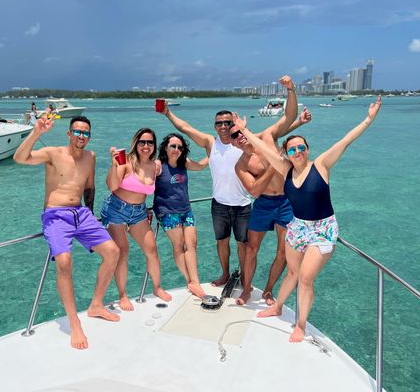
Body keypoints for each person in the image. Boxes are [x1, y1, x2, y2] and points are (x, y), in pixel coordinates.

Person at [232, 95, 382, 342]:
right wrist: (245, 130)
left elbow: (345, 141)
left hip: (322, 229)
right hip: (298, 227)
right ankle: (277, 306)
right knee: (292, 272)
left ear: (308, 149)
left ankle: (300, 324)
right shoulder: (285, 169)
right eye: (293, 149)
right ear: (287, 153)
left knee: (305, 277)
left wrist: (368, 119)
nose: (298, 151)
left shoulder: (321, 165)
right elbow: (261, 150)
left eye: (302, 147)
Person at [13, 115, 121, 350]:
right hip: (55, 215)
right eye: (78, 132)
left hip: (81, 214)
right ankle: (75, 323)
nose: (81, 136)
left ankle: (96, 305)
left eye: (86, 133)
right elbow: (19, 157)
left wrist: (91, 216)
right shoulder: (53, 153)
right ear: (69, 133)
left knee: (113, 251)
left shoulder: (91, 157)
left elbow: (90, 187)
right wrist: (36, 133)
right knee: (64, 261)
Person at [232, 77, 312, 305]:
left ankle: (267, 290)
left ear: (247, 128)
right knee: (251, 249)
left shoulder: (268, 136)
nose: (240, 138)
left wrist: (291, 90)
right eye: (236, 136)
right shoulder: (241, 165)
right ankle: (247, 289)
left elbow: (288, 116)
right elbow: (255, 191)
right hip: (264, 203)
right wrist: (275, 162)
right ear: (233, 143)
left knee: (284, 252)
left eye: (242, 132)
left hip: (286, 202)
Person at [158, 104, 251, 286]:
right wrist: (168, 113)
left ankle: (245, 277)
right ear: (215, 126)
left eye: (227, 122)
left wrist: (244, 129)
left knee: (243, 244)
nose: (223, 126)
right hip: (219, 204)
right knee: (222, 242)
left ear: (234, 124)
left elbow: (268, 141)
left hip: (242, 203)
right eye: (219, 123)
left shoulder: (242, 141)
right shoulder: (210, 143)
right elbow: (185, 128)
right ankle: (225, 274)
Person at [101, 128, 172, 311]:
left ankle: (157, 287)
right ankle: (122, 295)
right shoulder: (126, 162)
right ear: (136, 143)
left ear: (154, 146)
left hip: (139, 212)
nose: (146, 146)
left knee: (152, 250)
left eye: (150, 142)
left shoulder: (156, 166)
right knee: (123, 252)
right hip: (116, 210)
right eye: (142, 142)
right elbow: (112, 185)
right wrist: (114, 164)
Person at [153, 133, 209, 298]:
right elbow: (143, 178)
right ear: (165, 147)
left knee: (192, 244)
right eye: (173, 146)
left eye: (179, 147)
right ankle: (189, 281)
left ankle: (195, 282)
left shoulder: (184, 163)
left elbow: (201, 166)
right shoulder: (158, 165)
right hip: (167, 212)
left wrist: (212, 149)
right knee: (179, 245)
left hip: (186, 210)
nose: (176, 149)